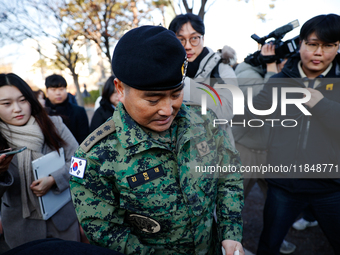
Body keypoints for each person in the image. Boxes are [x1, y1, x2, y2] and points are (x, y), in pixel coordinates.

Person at [70, 25, 244, 255]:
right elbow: (104, 231)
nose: (167, 110)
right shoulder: (94, 157)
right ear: (120, 89)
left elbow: (228, 176)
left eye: (176, 94)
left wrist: (230, 233)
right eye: (153, 100)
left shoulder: (204, 121)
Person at [232, 14, 340, 254]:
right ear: (300, 44)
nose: (319, 52)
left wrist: (321, 104)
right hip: (283, 186)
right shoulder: (279, 81)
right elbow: (250, 117)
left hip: (330, 187)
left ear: (337, 46)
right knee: (269, 245)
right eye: (312, 44)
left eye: (328, 45)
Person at [0, 73, 81, 248]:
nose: (17, 109)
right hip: (21, 229)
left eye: (22, 100)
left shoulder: (55, 125)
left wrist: (54, 179)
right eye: (6, 103)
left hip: (63, 222)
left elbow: (80, 163)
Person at [234, 44, 298, 254]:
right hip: (244, 149)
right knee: (232, 202)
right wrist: (271, 70)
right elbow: (263, 106)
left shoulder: (282, 74)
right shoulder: (245, 71)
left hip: (270, 152)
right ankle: (230, 244)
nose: (289, 65)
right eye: (285, 60)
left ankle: (277, 239)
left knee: (279, 206)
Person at [168, 13, 238, 146]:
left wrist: (185, 85)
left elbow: (228, 110)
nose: (188, 46)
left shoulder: (221, 68)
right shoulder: (168, 70)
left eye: (194, 38)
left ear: (203, 38)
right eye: (181, 39)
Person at [45, 74, 90, 144]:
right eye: (53, 90)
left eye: (61, 89)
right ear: (47, 91)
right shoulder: (41, 113)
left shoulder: (79, 111)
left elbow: (84, 139)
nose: (58, 93)